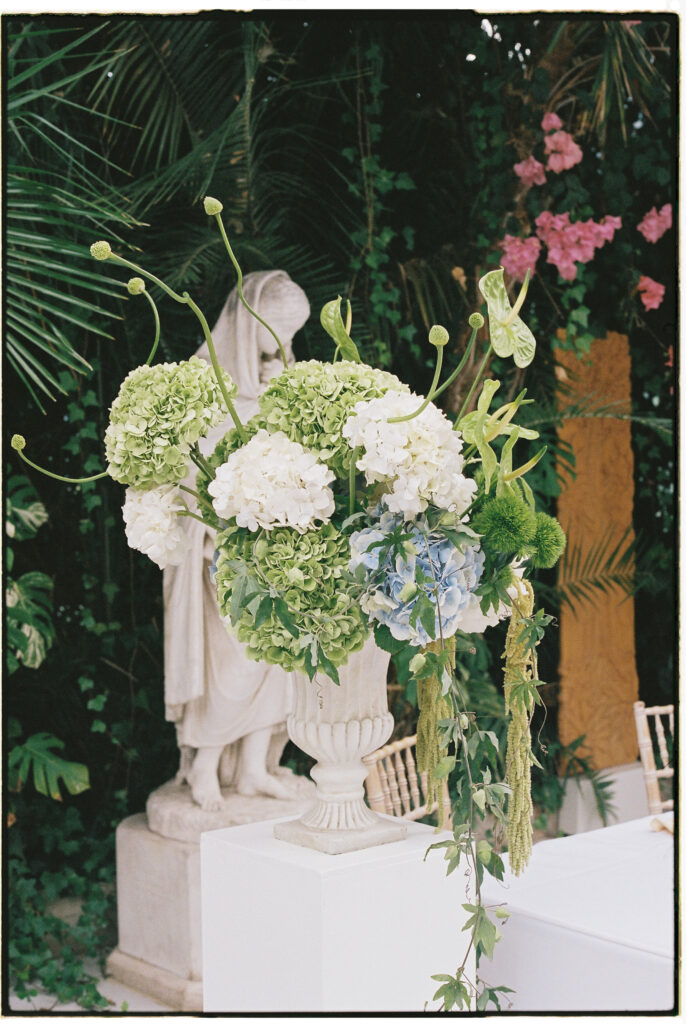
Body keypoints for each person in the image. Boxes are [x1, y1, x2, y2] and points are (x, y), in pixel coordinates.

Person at [163, 271, 310, 810]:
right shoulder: (204, 383)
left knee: (280, 657)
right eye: (277, 332)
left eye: (291, 334)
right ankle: (206, 765)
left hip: (278, 548)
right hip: (218, 549)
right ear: (250, 325)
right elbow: (183, 470)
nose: (283, 345)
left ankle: (252, 767)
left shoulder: (278, 378)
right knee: (232, 663)